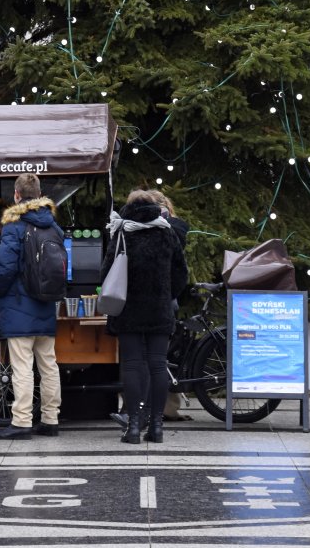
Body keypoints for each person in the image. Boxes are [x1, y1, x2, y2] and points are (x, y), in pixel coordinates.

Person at [101, 189, 188, 446]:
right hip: (159, 309)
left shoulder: (122, 232)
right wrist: (165, 293)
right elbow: (181, 274)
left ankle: (134, 427)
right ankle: (157, 427)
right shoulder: (166, 232)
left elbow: (106, 271)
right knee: (158, 365)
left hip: (129, 309)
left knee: (132, 365)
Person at [0, 172, 63, 440]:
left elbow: (5, 267)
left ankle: (21, 422)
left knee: (22, 366)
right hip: (46, 303)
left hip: (19, 303)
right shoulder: (53, 226)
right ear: (39, 193)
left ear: (17, 195)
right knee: (49, 364)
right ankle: (50, 419)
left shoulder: (13, 226)